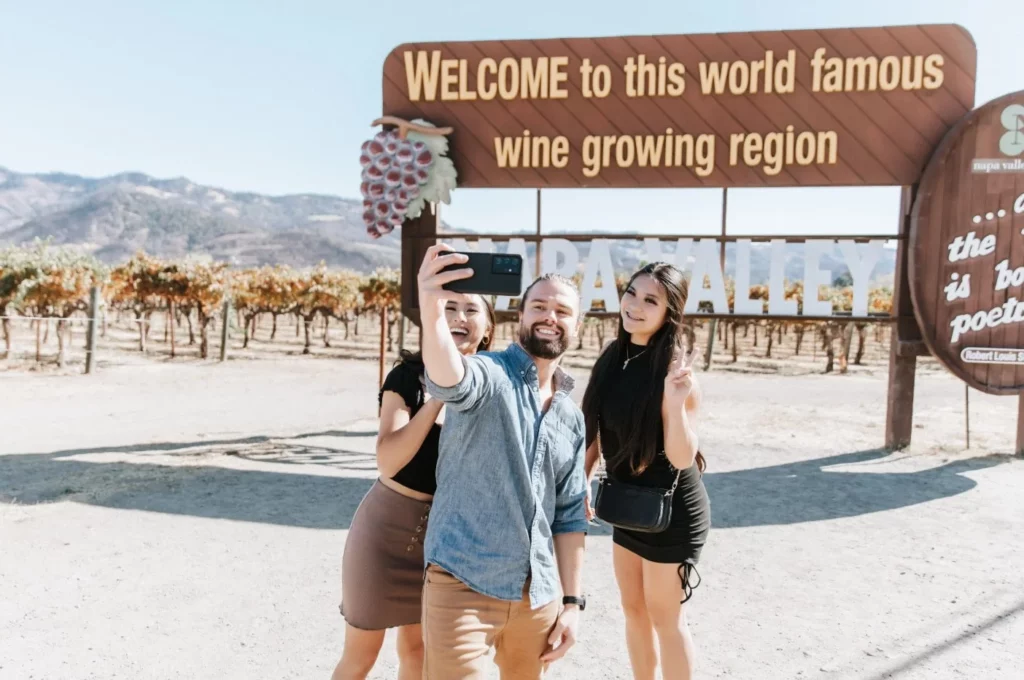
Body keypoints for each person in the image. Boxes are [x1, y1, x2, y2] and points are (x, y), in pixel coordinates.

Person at [415, 243, 591, 679]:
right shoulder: (490, 374)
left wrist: (571, 604)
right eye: (539, 306)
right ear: (521, 316)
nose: (550, 316)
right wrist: (431, 309)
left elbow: (569, 518)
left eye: (563, 311)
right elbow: (449, 378)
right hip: (463, 586)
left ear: (578, 325)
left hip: (539, 597)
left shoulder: (571, 415)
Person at [331, 292, 496, 680]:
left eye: (472, 310)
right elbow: (388, 459)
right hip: (383, 536)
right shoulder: (408, 376)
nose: (460, 316)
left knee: (418, 653)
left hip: (444, 543)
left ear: (487, 328)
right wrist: (438, 398)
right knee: (361, 656)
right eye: (449, 308)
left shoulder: (493, 387)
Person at [581, 262, 710, 680]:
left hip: (671, 512)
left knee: (665, 619)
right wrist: (582, 479)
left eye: (650, 300)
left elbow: (680, 457)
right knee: (633, 610)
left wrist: (674, 404)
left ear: (669, 312)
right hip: (629, 505)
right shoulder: (613, 357)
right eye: (631, 293)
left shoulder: (674, 371)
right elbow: (595, 430)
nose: (635, 305)